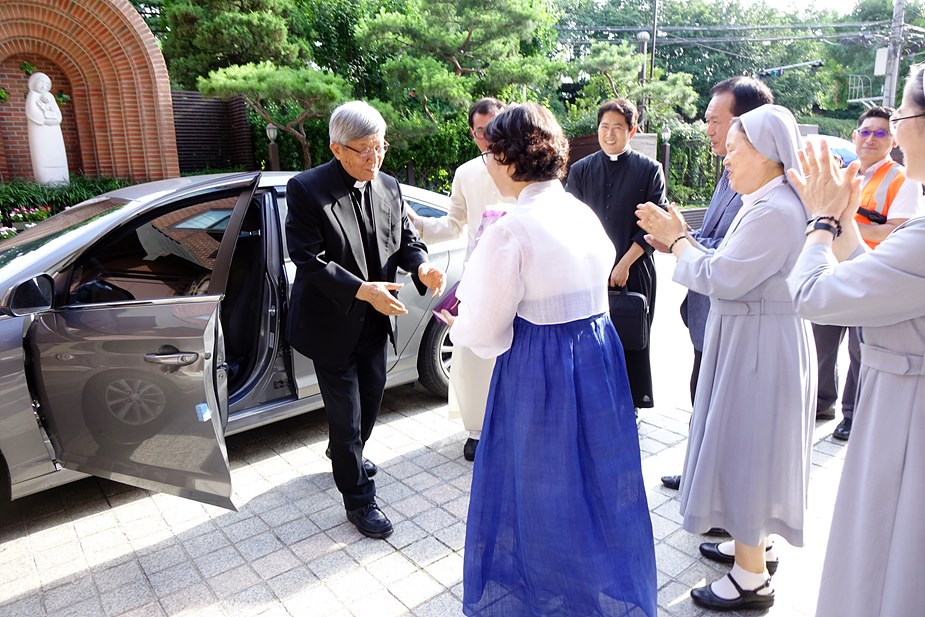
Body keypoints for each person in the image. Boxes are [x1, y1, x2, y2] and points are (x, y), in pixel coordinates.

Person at [447, 103, 657, 616]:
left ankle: (546, 593)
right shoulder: (579, 211)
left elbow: (484, 329)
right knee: (591, 477)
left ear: (509, 158)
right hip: (596, 357)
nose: (488, 162)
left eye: (492, 152)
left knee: (537, 486)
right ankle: (589, 586)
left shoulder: (510, 229)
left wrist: (460, 320)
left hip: (539, 367)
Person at [637, 104, 815, 611]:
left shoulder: (775, 209)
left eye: (734, 150)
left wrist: (678, 242)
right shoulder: (767, 202)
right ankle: (751, 545)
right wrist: (684, 242)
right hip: (752, 336)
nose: (726, 159)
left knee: (749, 449)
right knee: (749, 445)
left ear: (766, 153)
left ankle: (751, 578)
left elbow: (722, 277)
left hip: (759, 345)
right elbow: (725, 264)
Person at [786, 65, 925, 617]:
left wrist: (821, 220)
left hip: (907, 410)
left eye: (899, 117)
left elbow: (811, 295)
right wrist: (841, 218)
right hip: (899, 390)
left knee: (885, 551)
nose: (890, 132)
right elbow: (880, 274)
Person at [285, 101, 445, 540]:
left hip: (376, 320)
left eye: (381, 147)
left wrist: (422, 267)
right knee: (347, 415)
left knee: (371, 403)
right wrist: (362, 290)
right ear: (337, 149)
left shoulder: (388, 186)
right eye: (365, 150)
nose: (375, 158)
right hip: (332, 322)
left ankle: (344, 452)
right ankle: (359, 499)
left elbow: (406, 240)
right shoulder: (307, 189)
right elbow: (308, 259)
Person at [661, 76, 774, 492]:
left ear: (747, 123)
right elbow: (713, 237)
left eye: (714, 120)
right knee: (702, 395)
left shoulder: (762, 188)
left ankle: (718, 489)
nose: (707, 129)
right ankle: (699, 472)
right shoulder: (729, 172)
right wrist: (679, 238)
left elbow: (730, 253)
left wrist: (679, 240)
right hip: (706, 312)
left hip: (734, 316)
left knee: (725, 406)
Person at [810, 105, 923, 442]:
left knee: (861, 351)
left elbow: (896, 230)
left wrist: (841, 221)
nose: (871, 139)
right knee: (822, 343)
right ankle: (821, 402)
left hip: (874, 275)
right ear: (854, 135)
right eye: (866, 132)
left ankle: (851, 414)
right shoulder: (845, 173)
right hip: (835, 268)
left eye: (881, 133)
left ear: (893, 140)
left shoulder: (904, 178)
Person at [407, 97, 511, 462]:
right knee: (472, 355)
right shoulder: (466, 172)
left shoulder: (523, 165)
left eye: (495, 127)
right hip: (478, 277)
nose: (489, 137)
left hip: (518, 274)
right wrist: (417, 224)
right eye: (481, 131)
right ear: (472, 133)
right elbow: (453, 224)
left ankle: (512, 426)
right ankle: (476, 431)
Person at [565, 98, 667, 411]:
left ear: (632, 131)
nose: (609, 134)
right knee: (589, 340)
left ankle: (630, 406)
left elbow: (655, 223)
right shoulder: (580, 170)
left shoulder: (649, 170)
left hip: (634, 269)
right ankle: (594, 404)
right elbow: (569, 220)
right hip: (588, 272)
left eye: (617, 128)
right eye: (604, 127)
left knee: (631, 339)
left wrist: (624, 263)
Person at [25, 72, 69, 185]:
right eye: (40, 82)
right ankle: (46, 182)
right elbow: (33, 113)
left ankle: (62, 180)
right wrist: (46, 118)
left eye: (46, 83)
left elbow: (58, 116)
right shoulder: (33, 95)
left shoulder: (50, 97)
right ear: (34, 83)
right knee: (42, 155)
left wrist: (50, 116)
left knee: (57, 154)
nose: (43, 85)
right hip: (40, 131)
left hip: (54, 132)